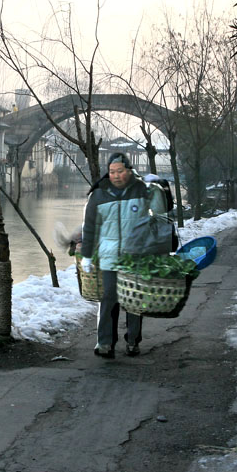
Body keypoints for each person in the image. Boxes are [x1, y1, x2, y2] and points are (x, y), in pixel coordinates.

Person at [80, 153, 166, 358]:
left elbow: (161, 215)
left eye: (120, 171)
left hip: (136, 255)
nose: (116, 175)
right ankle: (105, 343)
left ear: (129, 170)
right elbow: (90, 227)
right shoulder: (98, 194)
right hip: (110, 257)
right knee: (108, 298)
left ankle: (133, 341)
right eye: (112, 172)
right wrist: (87, 256)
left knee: (133, 299)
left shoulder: (142, 190)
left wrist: (156, 189)